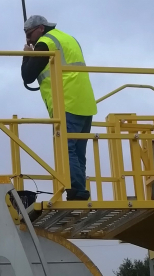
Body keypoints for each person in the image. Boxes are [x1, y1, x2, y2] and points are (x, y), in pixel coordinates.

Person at [20, 15, 97, 201]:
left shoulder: (45, 43)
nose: (28, 39)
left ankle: (77, 190)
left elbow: (28, 76)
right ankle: (78, 189)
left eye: (29, 34)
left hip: (65, 102)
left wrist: (26, 55)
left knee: (66, 148)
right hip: (85, 103)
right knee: (78, 150)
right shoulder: (68, 38)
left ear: (40, 29)